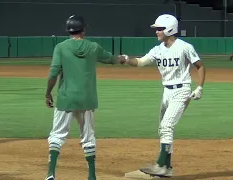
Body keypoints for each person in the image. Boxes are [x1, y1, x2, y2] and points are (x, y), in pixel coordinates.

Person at [121, 14, 206, 178]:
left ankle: (160, 165)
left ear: (169, 29)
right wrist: (126, 59)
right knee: (163, 128)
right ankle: (166, 168)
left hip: (182, 90)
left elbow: (200, 66)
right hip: (166, 91)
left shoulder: (184, 47)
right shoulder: (157, 49)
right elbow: (141, 62)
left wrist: (200, 87)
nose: (157, 32)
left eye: (159, 29)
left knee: (167, 126)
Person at [44, 15, 126, 180]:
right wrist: (123, 59)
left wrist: (48, 93)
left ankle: (51, 174)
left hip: (66, 99)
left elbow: (54, 73)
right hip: (87, 100)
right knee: (88, 138)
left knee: (57, 136)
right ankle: (92, 176)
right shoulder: (93, 47)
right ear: (84, 29)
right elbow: (111, 59)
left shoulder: (61, 47)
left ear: (68, 30)